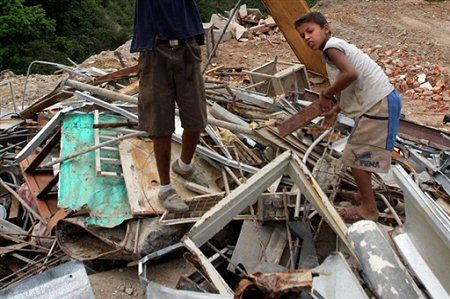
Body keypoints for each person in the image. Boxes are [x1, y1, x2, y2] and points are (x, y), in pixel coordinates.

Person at [294, 12, 402, 222]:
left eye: (310, 31)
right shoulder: (333, 50)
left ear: (326, 29)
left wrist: (326, 94)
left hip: (378, 104)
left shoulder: (331, 47)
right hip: (378, 102)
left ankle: (369, 210)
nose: (307, 37)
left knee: (356, 158)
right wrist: (336, 109)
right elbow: (350, 84)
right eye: (302, 35)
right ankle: (364, 196)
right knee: (361, 155)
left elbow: (350, 74)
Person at [131, 0, 209, 213]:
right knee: (160, 125)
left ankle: (184, 166)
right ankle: (166, 189)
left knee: (196, 118)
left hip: (187, 48)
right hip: (155, 51)